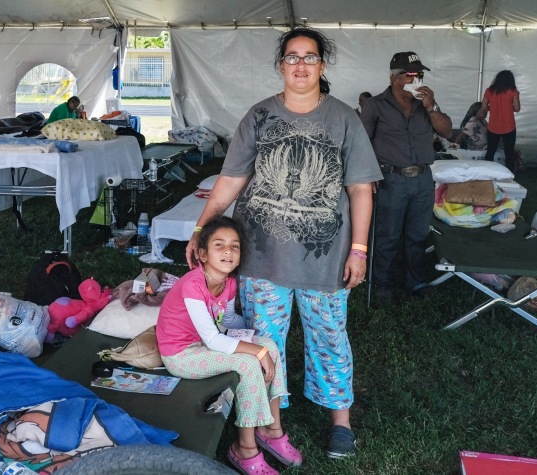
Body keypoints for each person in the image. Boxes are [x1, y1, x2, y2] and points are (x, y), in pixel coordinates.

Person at [185, 26, 382, 459]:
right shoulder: (258, 116)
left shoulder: (344, 118)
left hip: (324, 258)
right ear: (280, 65)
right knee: (265, 341)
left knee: (330, 335)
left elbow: (361, 190)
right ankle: (272, 425)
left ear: (322, 65)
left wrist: (359, 249)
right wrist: (202, 229)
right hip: (261, 256)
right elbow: (231, 181)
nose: (300, 65)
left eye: (309, 57)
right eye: (292, 57)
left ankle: (340, 423)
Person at [157, 216, 302, 474]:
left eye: (235, 246)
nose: (228, 251)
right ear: (202, 254)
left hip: (205, 343)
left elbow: (230, 320)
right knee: (247, 362)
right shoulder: (193, 284)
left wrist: (257, 337)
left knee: (270, 344)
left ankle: (271, 430)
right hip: (181, 354)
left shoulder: (228, 282)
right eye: (219, 245)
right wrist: (255, 350)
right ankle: (244, 450)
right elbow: (213, 338)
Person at [360, 51, 452, 300]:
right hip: (391, 179)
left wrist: (431, 107)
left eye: (418, 74)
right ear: (394, 77)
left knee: (418, 235)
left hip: (422, 178)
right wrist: (369, 175)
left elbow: (447, 131)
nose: (416, 79)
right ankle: (383, 282)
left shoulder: (425, 106)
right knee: (387, 235)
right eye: (410, 74)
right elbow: (362, 143)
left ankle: (416, 282)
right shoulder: (375, 105)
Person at [480, 70, 521, 173]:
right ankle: (510, 176)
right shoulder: (513, 91)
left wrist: (493, 108)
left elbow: (484, 107)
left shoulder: (489, 91)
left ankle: (487, 173)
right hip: (509, 126)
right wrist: (507, 107)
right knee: (509, 153)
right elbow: (517, 108)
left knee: (490, 152)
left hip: (493, 127)